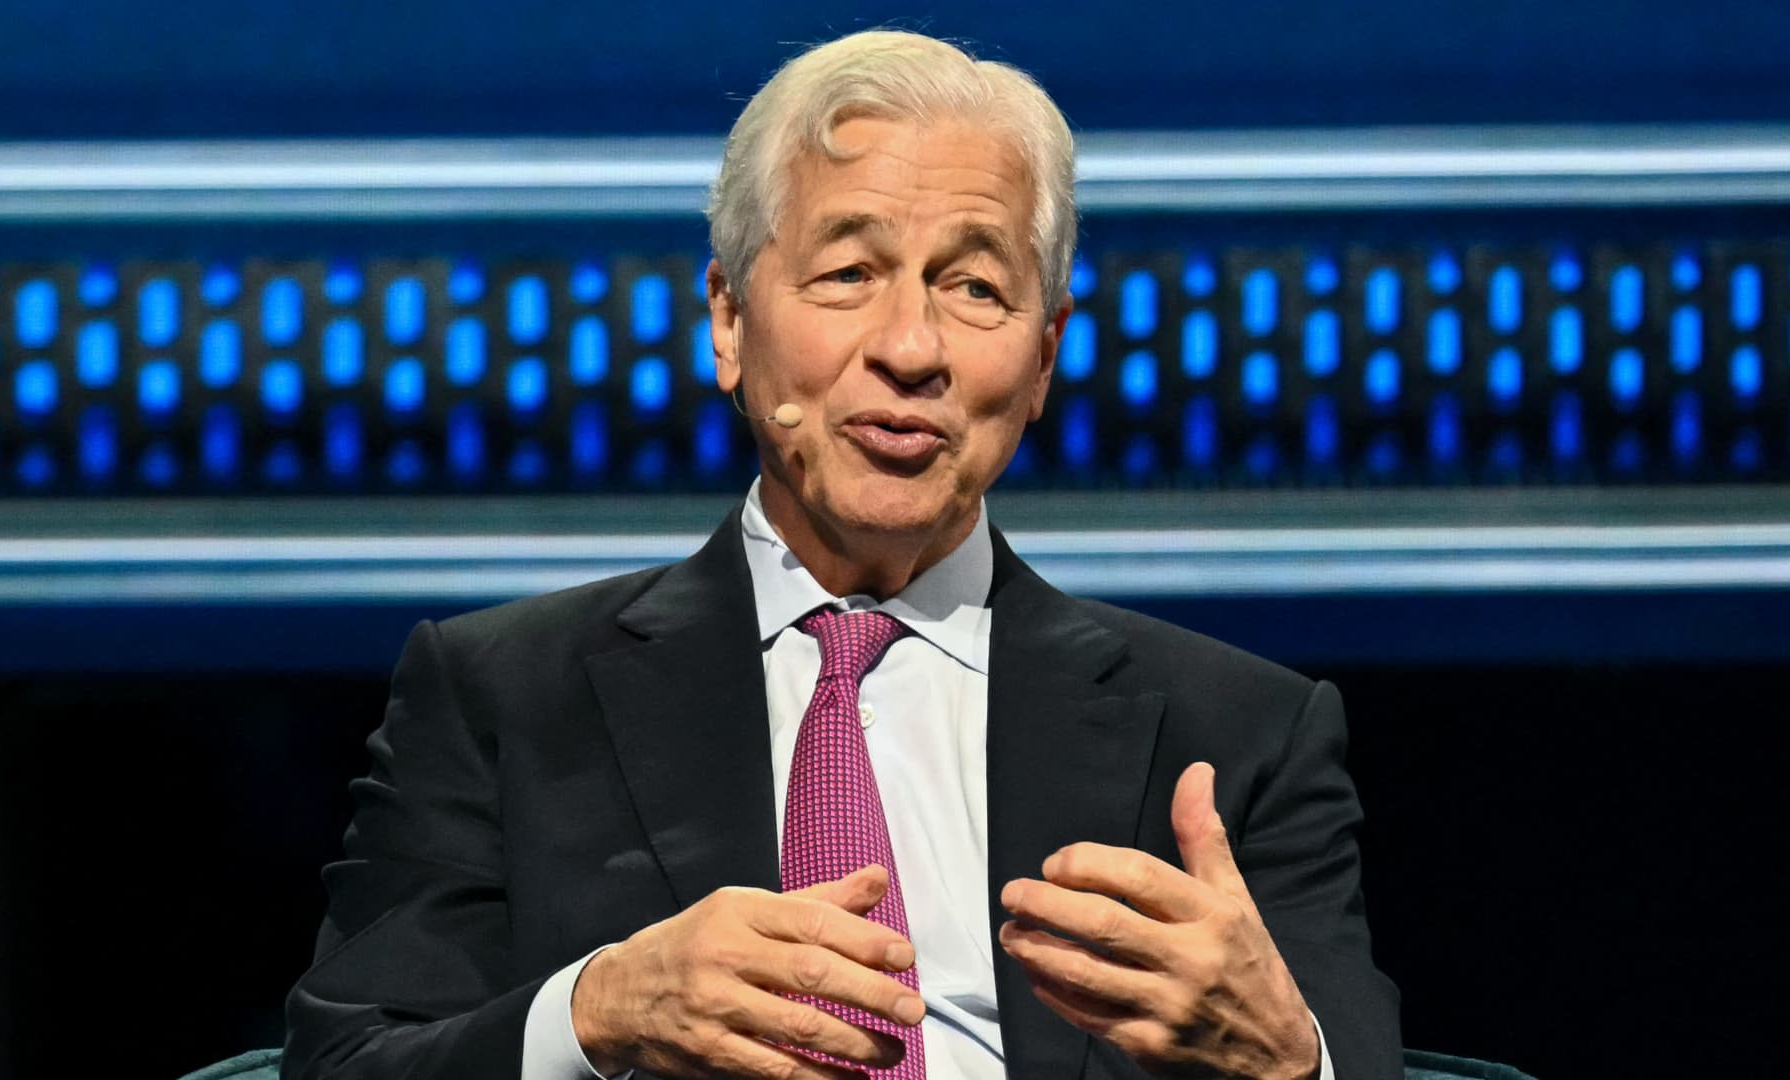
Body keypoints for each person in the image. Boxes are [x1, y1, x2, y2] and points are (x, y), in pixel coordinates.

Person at [284, 29, 1400, 1080]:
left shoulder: (1240, 739)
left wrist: (1286, 1063)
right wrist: (597, 1009)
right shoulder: (504, 698)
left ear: (1046, 355)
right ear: (730, 321)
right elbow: (344, 1061)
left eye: (975, 288)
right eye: (850, 274)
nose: (911, 348)